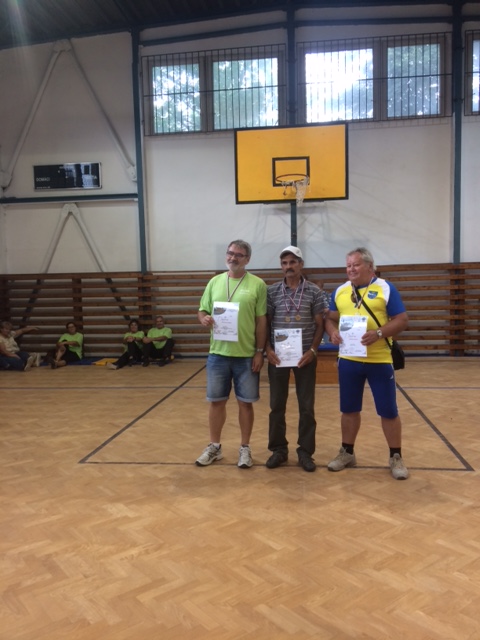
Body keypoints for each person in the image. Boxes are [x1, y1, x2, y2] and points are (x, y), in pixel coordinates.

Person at [325, 247, 409, 480]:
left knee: (388, 410)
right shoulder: (340, 291)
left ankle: (395, 456)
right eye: (348, 265)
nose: (351, 269)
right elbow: (329, 318)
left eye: (356, 265)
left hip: (379, 360)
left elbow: (402, 320)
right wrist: (332, 332)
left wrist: (379, 333)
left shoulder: (385, 288)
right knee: (349, 409)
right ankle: (347, 452)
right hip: (348, 360)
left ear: (370, 266)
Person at [195, 239, 267, 469]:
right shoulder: (214, 282)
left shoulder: (258, 285)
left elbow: (261, 321)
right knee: (216, 402)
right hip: (218, 354)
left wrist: (259, 352)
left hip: (246, 355)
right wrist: (204, 319)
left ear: (247, 259)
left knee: (245, 404)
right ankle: (214, 446)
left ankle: (245, 448)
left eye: (238, 254)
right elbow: (202, 310)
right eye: (230, 253)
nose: (233, 257)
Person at [265, 246, 329, 472]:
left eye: (293, 262)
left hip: (305, 358)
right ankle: (278, 450)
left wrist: (312, 351)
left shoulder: (314, 291)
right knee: (276, 405)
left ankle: (305, 452)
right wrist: (267, 349)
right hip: (278, 358)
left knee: (307, 406)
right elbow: (265, 323)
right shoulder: (271, 291)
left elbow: (320, 325)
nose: (288, 267)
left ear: (301, 264)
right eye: (284, 263)